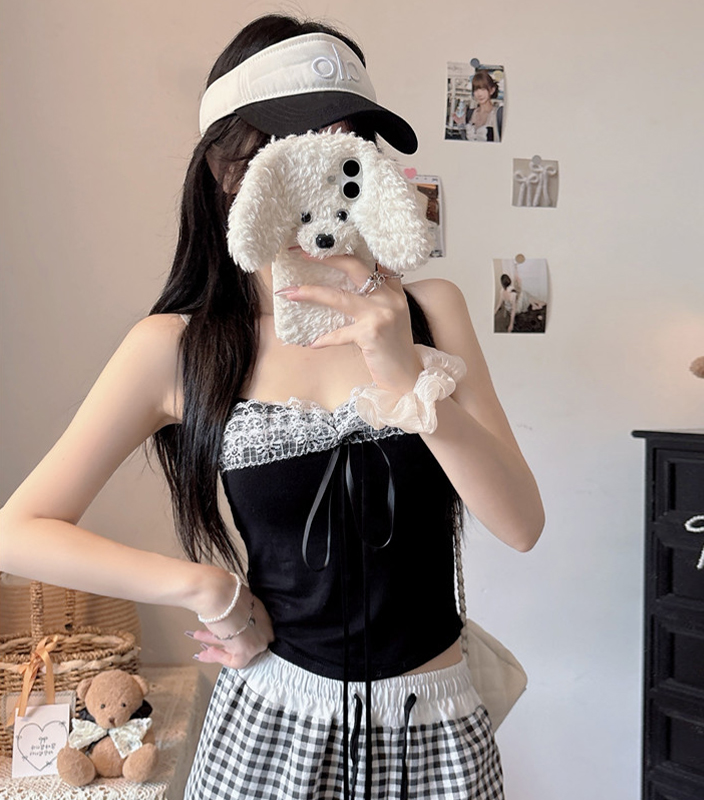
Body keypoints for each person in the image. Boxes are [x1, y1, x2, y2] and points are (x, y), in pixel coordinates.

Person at [0, 14, 544, 800]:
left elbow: (521, 525)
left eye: (349, 144)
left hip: (437, 726)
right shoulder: (180, 348)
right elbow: (19, 529)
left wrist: (404, 378)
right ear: (229, 169)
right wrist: (206, 589)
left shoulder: (432, 309)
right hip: (273, 727)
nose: (325, 174)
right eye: (294, 148)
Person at [452, 69, 504, 142]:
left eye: (483, 89)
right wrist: (461, 125)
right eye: (476, 90)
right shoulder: (470, 113)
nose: (479, 94)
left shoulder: (499, 114)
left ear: (492, 90)